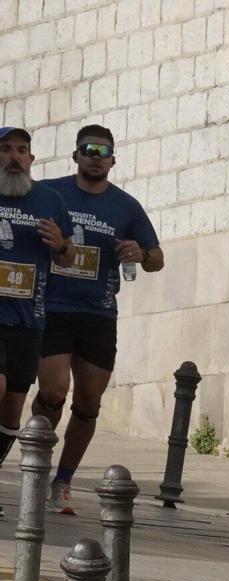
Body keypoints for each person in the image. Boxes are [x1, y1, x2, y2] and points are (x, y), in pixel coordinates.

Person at [33, 125, 163, 515]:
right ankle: (36, 469)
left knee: (88, 403)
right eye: (88, 149)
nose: (95, 156)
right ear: (75, 155)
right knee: (54, 390)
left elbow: (157, 259)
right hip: (53, 306)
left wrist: (141, 253)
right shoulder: (51, 193)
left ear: (113, 160)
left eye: (103, 151)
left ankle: (63, 481)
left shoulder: (126, 207)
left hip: (99, 312)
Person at [0, 126, 77, 466]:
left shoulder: (49, 201)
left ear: (31, 159)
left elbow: (69, 257)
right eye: (5, 149)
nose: (14, 157)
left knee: (13, 407)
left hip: (28, 319)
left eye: (21, 150)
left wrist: (60, 244)